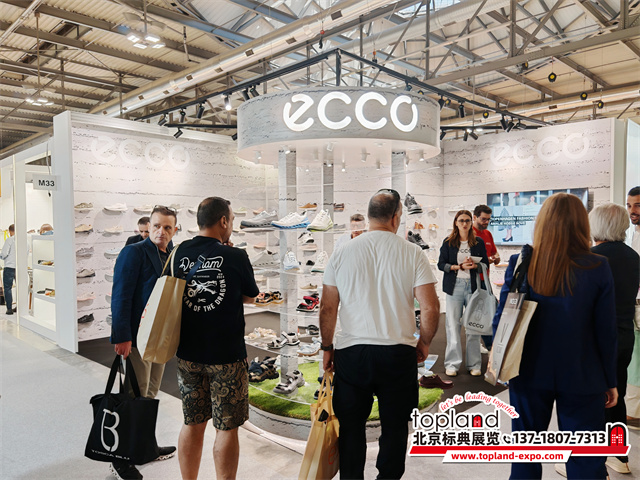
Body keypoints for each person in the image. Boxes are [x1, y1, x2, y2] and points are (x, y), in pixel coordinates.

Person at [493, 193, 617, 479]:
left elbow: (502, 318)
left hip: (527, 371)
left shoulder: (522, 262)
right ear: (582, 224)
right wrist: (609, 380)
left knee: (525, 453)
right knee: (585, 459)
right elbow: (606, 330)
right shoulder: (597, 266)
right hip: (583, 374)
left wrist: (498, 359)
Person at [319, 188, 440, 479]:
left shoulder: (342, 252)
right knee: (396, 427)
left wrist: (327, 346)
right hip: (398, 352)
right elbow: (430, 307)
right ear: (396, 217)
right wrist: (424, 341)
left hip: (352, 353)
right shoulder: (413, 252)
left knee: (351, 427)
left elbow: (327, 308)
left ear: (369, 216)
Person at [172, 197, 258, 480]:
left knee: (192, 422)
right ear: (223, 221)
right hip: (226, 356)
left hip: (187, 352)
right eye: (231, 219)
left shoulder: (178, 251)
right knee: (226, 427)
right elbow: (250, 296)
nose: (231, 224)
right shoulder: (236, 256)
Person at [110, 205, 178, 480]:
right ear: (149, 226)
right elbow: (121, 295)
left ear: (174, 230)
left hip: (160, 337)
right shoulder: (134, 252)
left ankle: (145, 448)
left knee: (149, 395)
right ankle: (120, 459)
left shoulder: (172, 255)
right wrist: (121, 336)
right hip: (137, 337)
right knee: (133, 397)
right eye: (157, 226)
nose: (161, 231)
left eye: (167, 227)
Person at [590, 203, 639, 475]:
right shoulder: (634, 257)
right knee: (616, 395)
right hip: (624, 335)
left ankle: (592, 461)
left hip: (596, 339)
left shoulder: (591, 257)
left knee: (591, 399)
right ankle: (619, 456)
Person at [438, 210, 489, 377]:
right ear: (456, 222)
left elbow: (485, 264)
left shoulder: (478, 242)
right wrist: (458, 267)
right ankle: (452, 364)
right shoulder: (448, 242)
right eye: (461, 220)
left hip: (473, 287)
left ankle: (474, 364)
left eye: (467, 220)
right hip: (454, 287)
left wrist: (476, 266)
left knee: (473, 326)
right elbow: (441, 264)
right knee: (452, 325)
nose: (465, 224)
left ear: (471, 222)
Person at [473, 205, 501, 352]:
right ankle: (487, 345)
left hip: (485, 279)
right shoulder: (469, 234)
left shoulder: (488, 234)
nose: (486, 222)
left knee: (490, 310)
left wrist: (496, 258)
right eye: (483, 219)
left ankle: (487, 344)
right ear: (475, 217)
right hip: (472, 280)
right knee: (483, 311)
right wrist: (485, 260)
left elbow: (495, 254)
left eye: (488, 219)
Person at [624, 186, 640, 433]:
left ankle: (635, 412)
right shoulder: (634, 234)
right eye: (629, 205)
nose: (632, 211)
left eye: (637, 205)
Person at [1, 224, 16, 315]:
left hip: (9, 267)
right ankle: (20, 308)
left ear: (10, 231)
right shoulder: (25, 240)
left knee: (7, 288)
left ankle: (9, 309)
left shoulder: (10, 240)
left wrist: (2, 257)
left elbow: (4, 253)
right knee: (20, 288)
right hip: (20, 267)